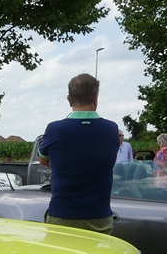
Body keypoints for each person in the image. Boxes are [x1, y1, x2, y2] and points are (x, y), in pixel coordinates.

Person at [37, 74, 118, 234]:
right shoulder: (111, 129)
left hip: (62, 215)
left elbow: (43, 160)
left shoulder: (54, 129)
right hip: (99, 216)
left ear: (69, 99)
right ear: (95, 97)